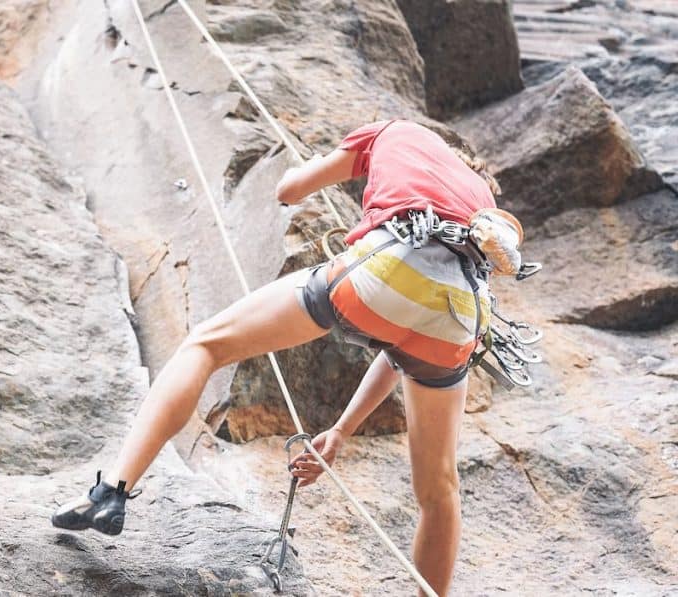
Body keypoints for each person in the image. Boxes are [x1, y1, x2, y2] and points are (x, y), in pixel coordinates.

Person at [52, 119, 524, 596]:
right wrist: (340, 430)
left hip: (382, 271)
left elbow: (289, 190)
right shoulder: (480, 201)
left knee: (206, 345)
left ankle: (111, 490)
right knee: (439, 489)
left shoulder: (395, 131)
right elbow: (408, 344)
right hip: (460, 316)